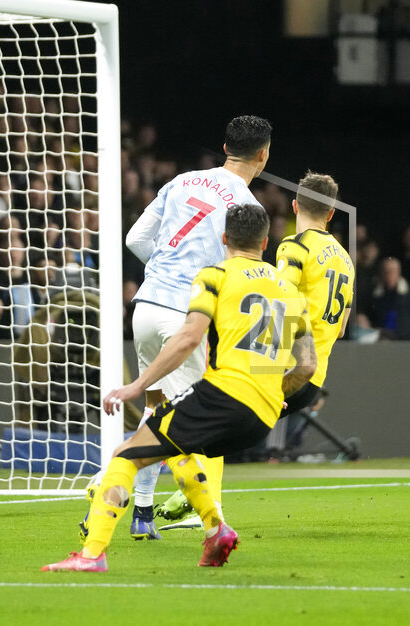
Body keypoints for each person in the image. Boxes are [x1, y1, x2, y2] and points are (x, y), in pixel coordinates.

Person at [43, 203, 315, 572]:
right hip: (263, 416)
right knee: (175, 446)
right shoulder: (291, 290)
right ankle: (216, 529)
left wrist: (137, 385)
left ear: (224, 239)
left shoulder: (215, 275)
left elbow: (189, 337)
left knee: (126, 454)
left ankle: (92, 554)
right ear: (266, 242)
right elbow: (307, 365)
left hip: (224, 395)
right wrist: (275, 393)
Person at [86, 115, 272, 540]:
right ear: (263, 155)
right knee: (194, 422)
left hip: (146, 308)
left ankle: (144, 514)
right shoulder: (249, 208)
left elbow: (136, 238)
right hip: (183, 316)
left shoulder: (181, 182)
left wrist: (164, 268)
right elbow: (239, 273)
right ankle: (203, 517)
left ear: (225, 148)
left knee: (156, 410)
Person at [272, 171, 355, 416]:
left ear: (295, 206)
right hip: (313, 380)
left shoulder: (295, 246)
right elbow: (340, 329)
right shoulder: (347, 261)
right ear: (330, 214)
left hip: (285, 369)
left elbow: (281, 305)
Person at [362, 257, 410, 340]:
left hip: (408, 342)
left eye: (392, 271)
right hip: (382, 342)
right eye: (385, 272)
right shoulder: (375, 295)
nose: (388, 275)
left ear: (398, 272)